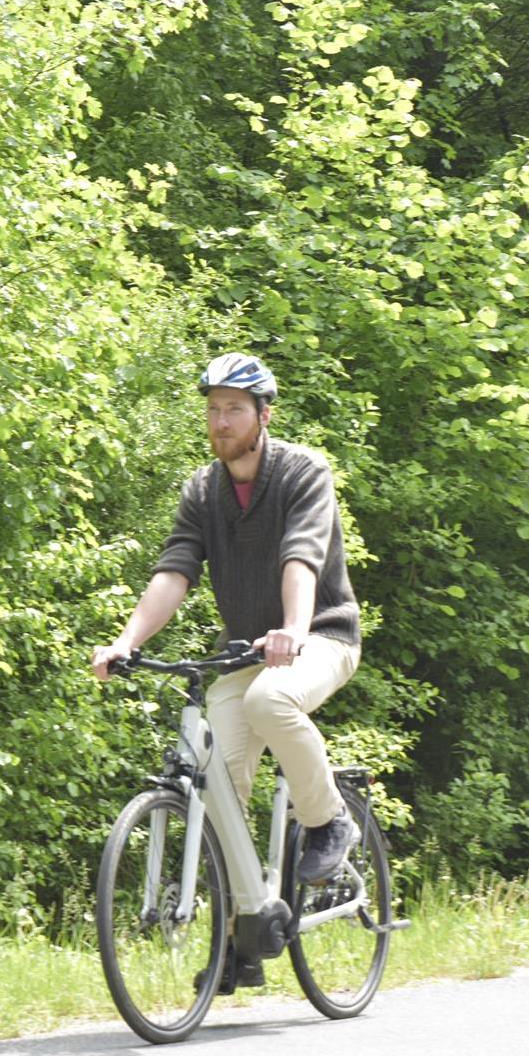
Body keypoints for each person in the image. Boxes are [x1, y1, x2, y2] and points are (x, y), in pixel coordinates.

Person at [91, 353, 363, 993]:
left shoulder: (303, 471)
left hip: (320, 636)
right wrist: (126, 640)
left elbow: (302, 554)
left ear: (263, 415)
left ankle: (328, 821)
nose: (221, 421)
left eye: (234, 409)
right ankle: (246, 931)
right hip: (245, 652)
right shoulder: (203, 490)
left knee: (273, 701)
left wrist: (296, 629)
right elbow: (175, 570)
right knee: (218, 781)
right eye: (213, 410)